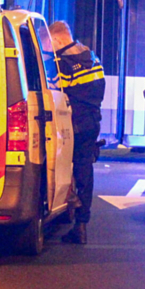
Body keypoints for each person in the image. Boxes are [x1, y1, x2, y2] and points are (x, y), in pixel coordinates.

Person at [48, 20, 105, 245]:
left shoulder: (60, 64)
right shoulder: (93, 59)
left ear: (58, 39)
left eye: (51, 43)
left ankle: (63, 208)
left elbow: (53, 94)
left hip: (69, 125)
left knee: (59, 167)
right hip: (92, 122)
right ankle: (81, 224)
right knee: (84, 169)